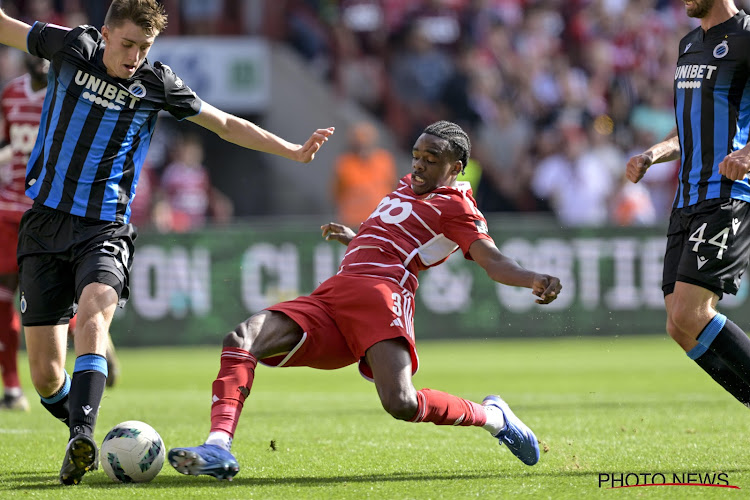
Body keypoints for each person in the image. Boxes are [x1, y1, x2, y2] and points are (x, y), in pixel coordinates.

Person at [0, 0, 334, 486]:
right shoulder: (71, 45)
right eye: (129, 44)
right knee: (47, 376)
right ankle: (79, 426)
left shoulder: (156, 83)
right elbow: (8, 28)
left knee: (94, 315)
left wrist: (291, 149)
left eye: (145, 47)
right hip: (44, 224)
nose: (135, 56)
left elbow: (224, 123)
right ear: (107, 33)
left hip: (104, 227)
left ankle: (84, 436)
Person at [168, 120, 562, 481]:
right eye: (417, 156)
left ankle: (494, 418)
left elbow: (492, 261)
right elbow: (398, 236)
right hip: (337, 290)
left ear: (456, 167)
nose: (420, 166)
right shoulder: (409, 183)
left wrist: (532, 278)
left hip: (382, 294)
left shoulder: (458, 207)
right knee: (241, 338)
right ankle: (218, 447)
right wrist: (355, 238)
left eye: (432, 160)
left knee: (402, 403)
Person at [625, 0, 750, 410]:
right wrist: (652, 154)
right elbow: (689, 127)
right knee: (679, 327)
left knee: (692, 314)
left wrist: (748, 152)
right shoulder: (688, 45)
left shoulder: (746, 36)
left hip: (728, 195)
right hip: (687, 199)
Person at [332, 121, 396, 227]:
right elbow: (336, 193)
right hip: (352, 222)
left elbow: (392, 186)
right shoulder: (344, 162)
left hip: (380, 220)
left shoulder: (384, 159)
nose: (362, 142)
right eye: (358, 139)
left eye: (366, 138)